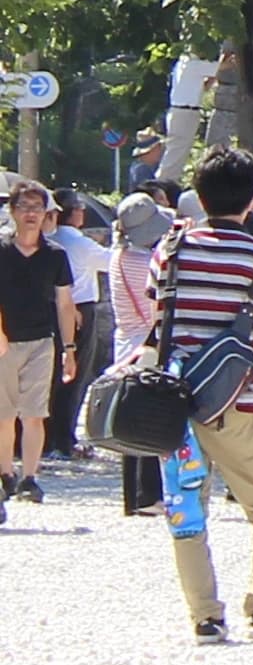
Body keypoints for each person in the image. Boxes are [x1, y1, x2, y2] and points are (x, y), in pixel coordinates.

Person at [153, 146, 253, 642]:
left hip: (174, 405)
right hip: (239, 401)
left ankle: (205, 615)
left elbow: (160, 319)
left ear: (200, 195)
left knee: (187, 510)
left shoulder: (171, 250)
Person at [0, 182, 77, 515]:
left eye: (37, 207)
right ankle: (6, 474)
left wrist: (69, 348)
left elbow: (64, 303)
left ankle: (30, 476)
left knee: (34, 414)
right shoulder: (1, 250)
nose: (31, 214)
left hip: (41, 341)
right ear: (13, 212)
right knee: (3, 416)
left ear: (46, 214)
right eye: (24, 207)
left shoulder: (56, 255)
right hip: (4, 340)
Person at [108, 194, 177, 512]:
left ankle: (133, 496)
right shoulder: (142, 262)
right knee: (147, 418)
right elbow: (155, 308)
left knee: (128, 418)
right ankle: (147, 494)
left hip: (125, 339)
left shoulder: (118, 255)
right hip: (143, 342)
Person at [46, 190, 108, 461]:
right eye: (79, 207)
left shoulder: (48, 239)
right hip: (81, 307)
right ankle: (64, 437)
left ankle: (48, 436)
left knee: (50, 376)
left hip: (51, 308)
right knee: (76, 375)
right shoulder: (78, 242)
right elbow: (110, 261)